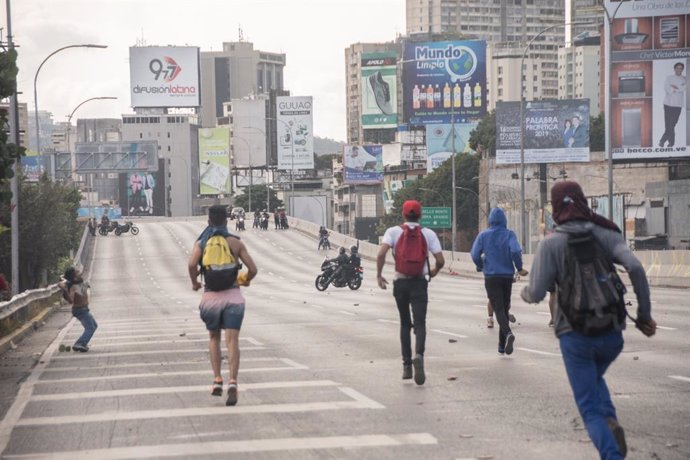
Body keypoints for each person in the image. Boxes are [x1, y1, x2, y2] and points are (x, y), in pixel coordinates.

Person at [521, 180, 656, 460]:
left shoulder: (551, 243)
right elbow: (635, 268)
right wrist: (644, 315)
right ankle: (611, 422)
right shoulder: (605, 232)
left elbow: (535, 293)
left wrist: (524, 290)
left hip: (575, 336)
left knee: (588, 407)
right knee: (593, 381)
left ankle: (611, 454)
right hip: (611, 334)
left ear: (555, 208)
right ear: (582, 201)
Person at [188, 205, 258, 406]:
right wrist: (242, 280)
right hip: (233, 297)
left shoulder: (202, 243)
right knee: (232, 340)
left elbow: (192, 265)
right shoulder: (235, 242)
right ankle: (233, 382)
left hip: (211, 298)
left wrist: (195, 283)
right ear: (227, 221)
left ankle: (217, 378)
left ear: (209, 221)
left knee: (214, 337)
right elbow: (253, 269)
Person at [376, 200, 445, 385]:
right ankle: (419, 355)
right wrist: (434, 272)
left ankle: (406, 366)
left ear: (403, 214)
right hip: (420, 284)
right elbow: (440, 260)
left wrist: (379, 275)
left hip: (401, 283)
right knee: (420, 323)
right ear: (420, 215)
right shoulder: (428, 234)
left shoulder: (393, 232)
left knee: (405, 324)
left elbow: (381, 254)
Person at [470, 207, 527, 355]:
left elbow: (475, 254)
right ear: (504, 221)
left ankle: (508, 334)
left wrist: (480, 265)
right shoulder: (509, 234)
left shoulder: (483, 236)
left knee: (499, 309)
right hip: (507, 277)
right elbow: (515, 251)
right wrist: (519, 267)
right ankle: (502, 346)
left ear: (490, 221)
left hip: (491, 276)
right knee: (505, 308)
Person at [58, 267, 97, 352]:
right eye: (77, 272)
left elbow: (83, 289)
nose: (79, 272)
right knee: (90, 328)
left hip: (84, 309)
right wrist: (65, 289)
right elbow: (71, 300)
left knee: (94, 325)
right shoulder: (73, 287)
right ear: (74, 276)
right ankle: (80, 343)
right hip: (80, 310)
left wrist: (86, 286)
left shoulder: (79, 283)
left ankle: (82, 343)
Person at [658, 62, 686, 148]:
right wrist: (677, 88)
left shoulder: (685, 79)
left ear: (682, 70)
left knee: (672, 124)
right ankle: (671, 143)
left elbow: (684, 88)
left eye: (680, 68)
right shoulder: (669, 77)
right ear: (674, 69)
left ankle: (662, 140)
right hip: (668, 104)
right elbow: (666, 87)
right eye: (677, 68)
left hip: (678, 105)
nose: (679, 69)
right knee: (668, 124)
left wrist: (675, 88)